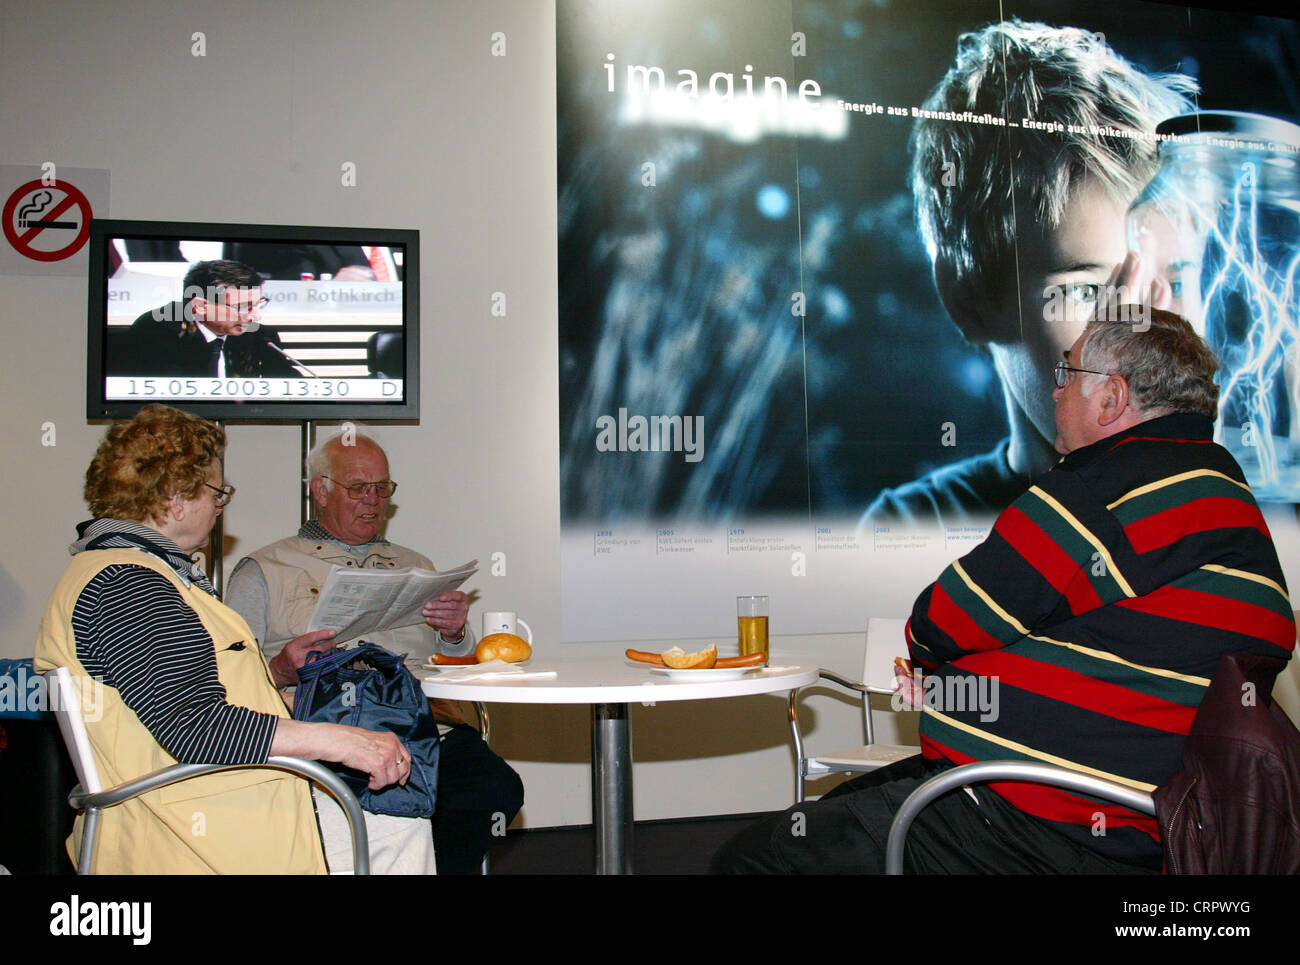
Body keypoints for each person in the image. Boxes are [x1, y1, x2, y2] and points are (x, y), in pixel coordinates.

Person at [715, 310, 1295, 873]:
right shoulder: (1231, 504)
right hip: (1151, 827)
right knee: (842, 808)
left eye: (1067, 375)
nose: (1054, 392)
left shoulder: (1099, 486)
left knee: (753, 859)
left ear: (1112, 399)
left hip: (1038, 821)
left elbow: (941, 622)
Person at [33, 404, 426, 874]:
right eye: (217, 494)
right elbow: (197, 727)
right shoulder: (130, 586)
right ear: (177, 498)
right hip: (196, 830)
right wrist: (340, 741)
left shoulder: (120, 572)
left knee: (395, 816)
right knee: (402, 822)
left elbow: (182, 700)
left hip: (194, 802)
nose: (220, 509)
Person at [862, 21, 1198, 526]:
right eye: (1086, 290)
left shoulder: (1238, 508)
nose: (1145, 333)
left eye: (1171, 282)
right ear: (972, 300)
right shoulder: (909, 526)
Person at [226, 429, 525, 874]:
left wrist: (454, 632)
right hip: (327, 734)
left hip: (424, 728)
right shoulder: (265, 570)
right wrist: (279, 669)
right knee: (374, 807)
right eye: (358, 488)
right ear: (320, 491)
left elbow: (452, 662)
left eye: (382, 488)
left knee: (492, 787)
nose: (373, 500)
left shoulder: (417, 566)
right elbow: (227, 679)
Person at [110, 259, 301, 378]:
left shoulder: (260, 336)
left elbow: (290, 385)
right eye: (244, 307)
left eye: (259, 304)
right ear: (200, 307)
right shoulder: (158, 332)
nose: (256, 316)